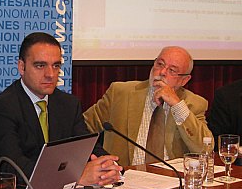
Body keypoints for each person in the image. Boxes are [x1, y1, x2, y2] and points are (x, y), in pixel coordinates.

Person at [0, 32, 122, 186]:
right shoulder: (3, 107)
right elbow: (12, 166)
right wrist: (75, 178)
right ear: (22, 67)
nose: (50, 74)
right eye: (40, 65)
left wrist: (108, 166)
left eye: (56, 66)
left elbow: (86, 146)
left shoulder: (68, 104)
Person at [83, 46, 212, 166]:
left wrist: (176, 104)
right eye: (160, 64)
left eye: (172, 70)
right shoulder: (120, 93)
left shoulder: (193, 103)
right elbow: (82, 128)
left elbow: (204, 148)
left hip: (171, 181)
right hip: (126, 178)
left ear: (184, 80)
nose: (162, 72)